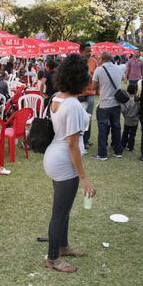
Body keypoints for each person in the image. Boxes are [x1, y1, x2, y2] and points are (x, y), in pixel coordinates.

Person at [43, 53, 95, 273]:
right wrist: (84, 178)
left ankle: (62, 247)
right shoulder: (73, 105)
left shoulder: (57, 97)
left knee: (63, 209)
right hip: (64, 160)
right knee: (60, 213)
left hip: (55, 155)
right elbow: (73, 145)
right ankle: (53, 258)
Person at [92, 51, 123, 160]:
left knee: (103, 129)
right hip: (117, 103)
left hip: (104, 104)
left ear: (102, 59)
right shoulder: (119, 68)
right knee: (116, 127)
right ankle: (118, 151)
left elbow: (93, 87)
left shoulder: (99, 70)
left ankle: (102, 154)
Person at [78, 43, 96, 149]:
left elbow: (96, 77)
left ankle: (86, 140)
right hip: (78, 94)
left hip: (90, 94)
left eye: (90, 51)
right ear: (81, 51)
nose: (89, 53)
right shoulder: (76, 62)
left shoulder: (94, 61)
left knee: (88, 118)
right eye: (87, 51)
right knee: (77, 118)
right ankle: (77, 139)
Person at [121, 83, 139, 152]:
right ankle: (130, 147)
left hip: (127, 119)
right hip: (135, 120)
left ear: (127, 91)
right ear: (135, 91)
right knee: (132, 134)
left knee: (125, 132)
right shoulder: (137, 101)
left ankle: (123, 144)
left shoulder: (126, 100)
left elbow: (123, 110)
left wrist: (125, 116)